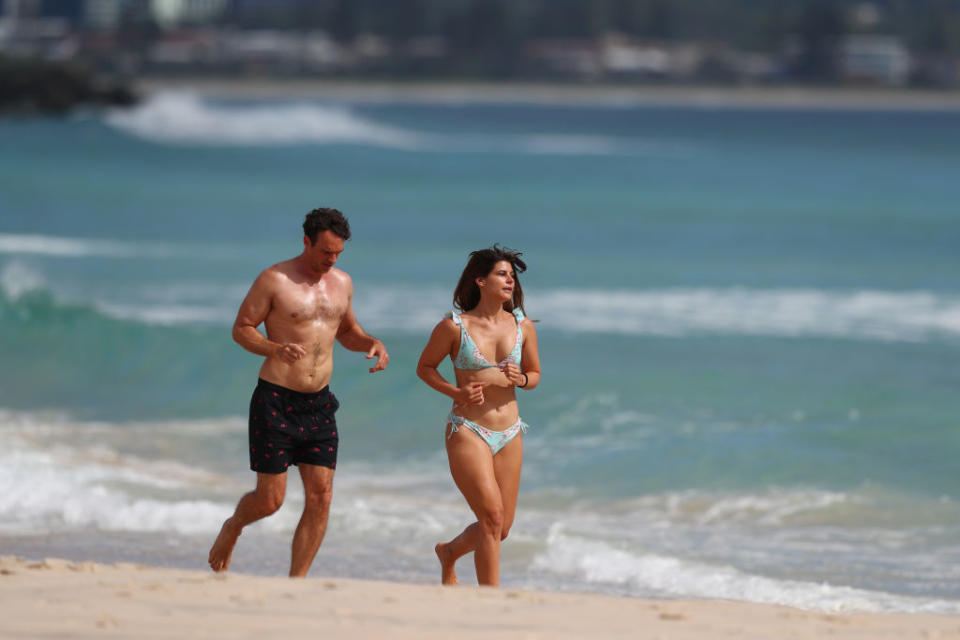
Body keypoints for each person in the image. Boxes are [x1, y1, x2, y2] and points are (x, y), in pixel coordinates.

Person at [208, 207, 389, 577]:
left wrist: (372, 342)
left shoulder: (342, 283)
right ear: (306, 241)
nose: (331, 259)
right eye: (325, 251)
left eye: (337, 253)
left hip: (319, 404)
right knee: (270, 501)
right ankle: (233, 526)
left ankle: (297, 582)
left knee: (321, 497)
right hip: (276, 401)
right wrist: (274, 348)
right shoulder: (274, 280)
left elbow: (347, 331)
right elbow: (242, 328)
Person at [416, 245, 541, 587]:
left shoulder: (523, 326)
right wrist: (455, 392)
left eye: (512, 277)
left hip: (510, 431)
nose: (509, 281)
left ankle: (450, 552)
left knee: (501, 528)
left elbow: (535, 375)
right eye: (502, 274)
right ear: (480, 281)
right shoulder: (453, 327)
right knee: (491, 515)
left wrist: (523, 379)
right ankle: (489, 602)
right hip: (468, 429)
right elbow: (425, 368)